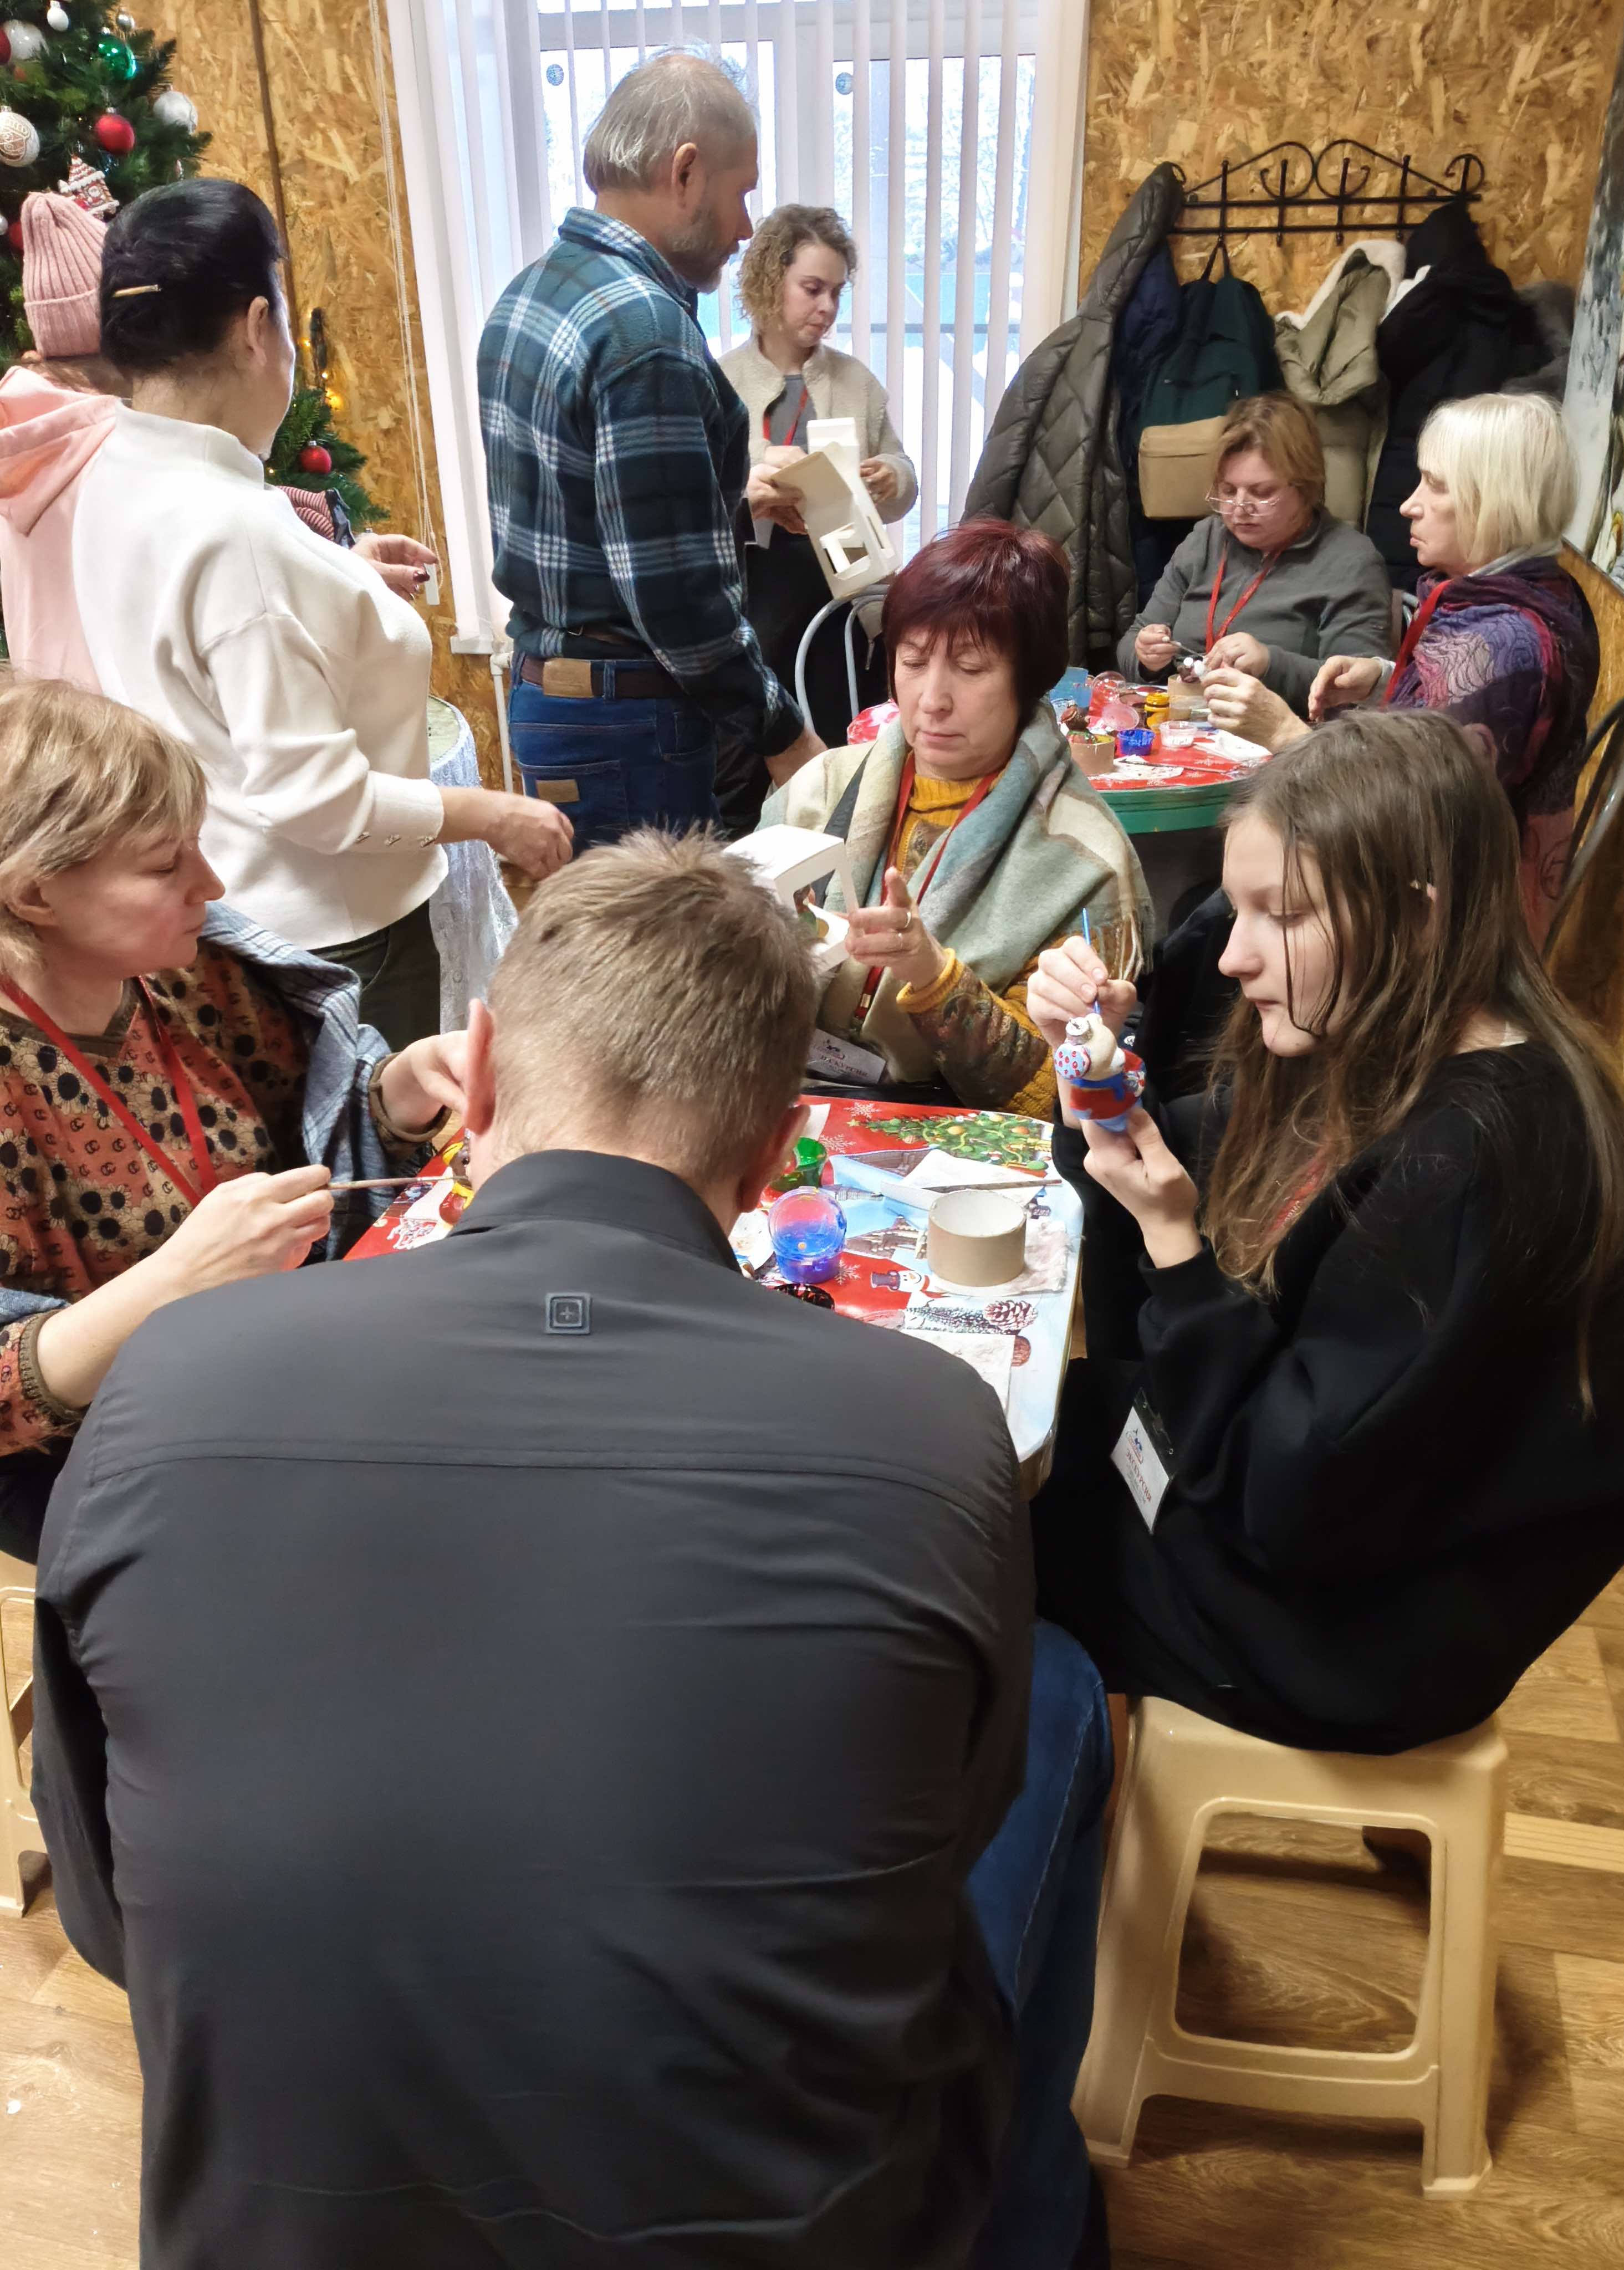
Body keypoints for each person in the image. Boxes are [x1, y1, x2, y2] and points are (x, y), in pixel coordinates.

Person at [32, 827, 1112, 2270]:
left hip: (281, 2231)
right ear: (777, 1149)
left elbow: (110, 1915)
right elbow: (943, 1836)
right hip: (791, 2229)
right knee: (1061, 1702)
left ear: (474, 1075)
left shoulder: (166, 1380)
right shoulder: (931, 1426)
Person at [1025, 709, 1624, 1755]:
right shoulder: (1400, 1042)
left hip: (1351, 1633)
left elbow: (1287, 1500)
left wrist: (1176, 1251)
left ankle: (1051, 1808)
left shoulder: (1471, 1165)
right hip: (1326, 1522)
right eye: (1234, 911)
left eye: (1279, 915)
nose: (1232, 958)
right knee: (1047, 1434)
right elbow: (1203, 1144)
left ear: (1416, 917)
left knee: (978, 1532)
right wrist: (1102, 1076)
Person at [70, 178, 570, 1054]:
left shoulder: (119, 471)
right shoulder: (235, 532)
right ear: (257, 326)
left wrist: (339, 572)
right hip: (333, 935)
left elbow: (212, 640)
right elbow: (320, 800)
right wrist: (494, 815)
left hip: (232, 909)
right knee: (374, 1132)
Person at [0, 678, 467, 1556]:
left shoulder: (194, 972)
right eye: (163, 865)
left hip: (277, 1380)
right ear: (34, 896)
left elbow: (317, 1126)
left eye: (198, 848)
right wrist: (174, 1282)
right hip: (115, 1477)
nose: (210, 885)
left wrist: (400, 1091)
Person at [479, 53, 823, 847]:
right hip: (629, 724)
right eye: (741, 193)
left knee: (594, 922)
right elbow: (678, 602)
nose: (746, 228)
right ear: (686, 173)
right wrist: (784, 735)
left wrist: (730, 494)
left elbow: (586, 513)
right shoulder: (646, 333)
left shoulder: (528, 293)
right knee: (663, 931)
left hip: (550, 698)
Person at [763, 518, 1148, 1113]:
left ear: (1030, 678)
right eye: (913, 661)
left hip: (952, 1127)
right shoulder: (821, 789)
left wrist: (932, 974)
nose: (932, 700)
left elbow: (1059, 1094)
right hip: (785, 1097)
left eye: (970, 669)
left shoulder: (1082, 857)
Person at [0, 188, 449, 694]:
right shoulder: (131, 469)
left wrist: (335, 574)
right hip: (125, 741)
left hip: (66, 736)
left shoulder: (37, 450)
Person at [1210, 393, 1600, 942]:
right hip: (1438, 886)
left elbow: (1405, 824)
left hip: (1445, 931)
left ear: (1495, 500)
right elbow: (1442, 730)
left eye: (1435, 486)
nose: (1409, 505)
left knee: (1215, 923)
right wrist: (1382, 679)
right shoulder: (1539, 591)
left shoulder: (1500, 644)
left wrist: (1284, 732)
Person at [720, 204, 916, 743]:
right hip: (752, 595)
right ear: (769, 282)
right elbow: (697, 500)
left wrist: (892, 476)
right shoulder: (720, 382)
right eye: (812, 289)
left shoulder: (857, 383)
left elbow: (903, 475)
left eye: (837, 292)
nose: (827, 307)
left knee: (841, 742)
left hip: (844, 596)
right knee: (756, 750)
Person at [1116, 393, 1391, 717]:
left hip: (1287, 737)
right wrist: (1146, 658)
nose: (1239, 509)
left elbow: (1354, 693)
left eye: (1262, 493)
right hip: (1183, 728)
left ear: (1307, 488)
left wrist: (1270, 664)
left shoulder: (1350, 561)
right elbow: (1132, 643)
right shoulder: (1206, 538)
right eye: (1228, 491)